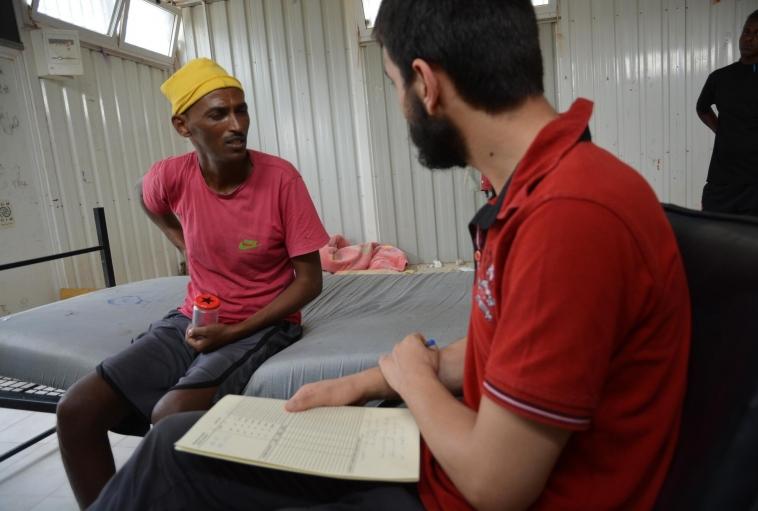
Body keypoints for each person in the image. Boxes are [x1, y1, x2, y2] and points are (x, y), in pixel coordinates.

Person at [90, 1, 691, 510]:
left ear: (426, 84)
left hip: (462, 491)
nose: (402, 104)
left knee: (172, 464)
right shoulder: (540, 188)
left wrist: (412, 378)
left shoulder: (569, 217)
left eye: (394, 84)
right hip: (439, 463)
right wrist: (362, 381)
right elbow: (501, 355)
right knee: (182, 440)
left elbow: (497, 484)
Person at [56, 58, 329, 509]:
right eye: (218, 114)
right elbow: (146, 195)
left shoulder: (281, 179)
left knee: (170, 416)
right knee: (76, 409)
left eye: (241, 111)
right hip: (194, 316)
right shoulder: (172, 176)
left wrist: (231, 333)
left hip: (263, 323)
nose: (237, 124)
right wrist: (177, 238)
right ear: (184, 126)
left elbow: (309, 283)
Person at [697, 9, 758, 216]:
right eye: (746, 32)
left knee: (754, 244)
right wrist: (722, 131)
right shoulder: (720, 77)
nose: (749, 39)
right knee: (713, 236)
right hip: (722, 181)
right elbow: (702, 108)